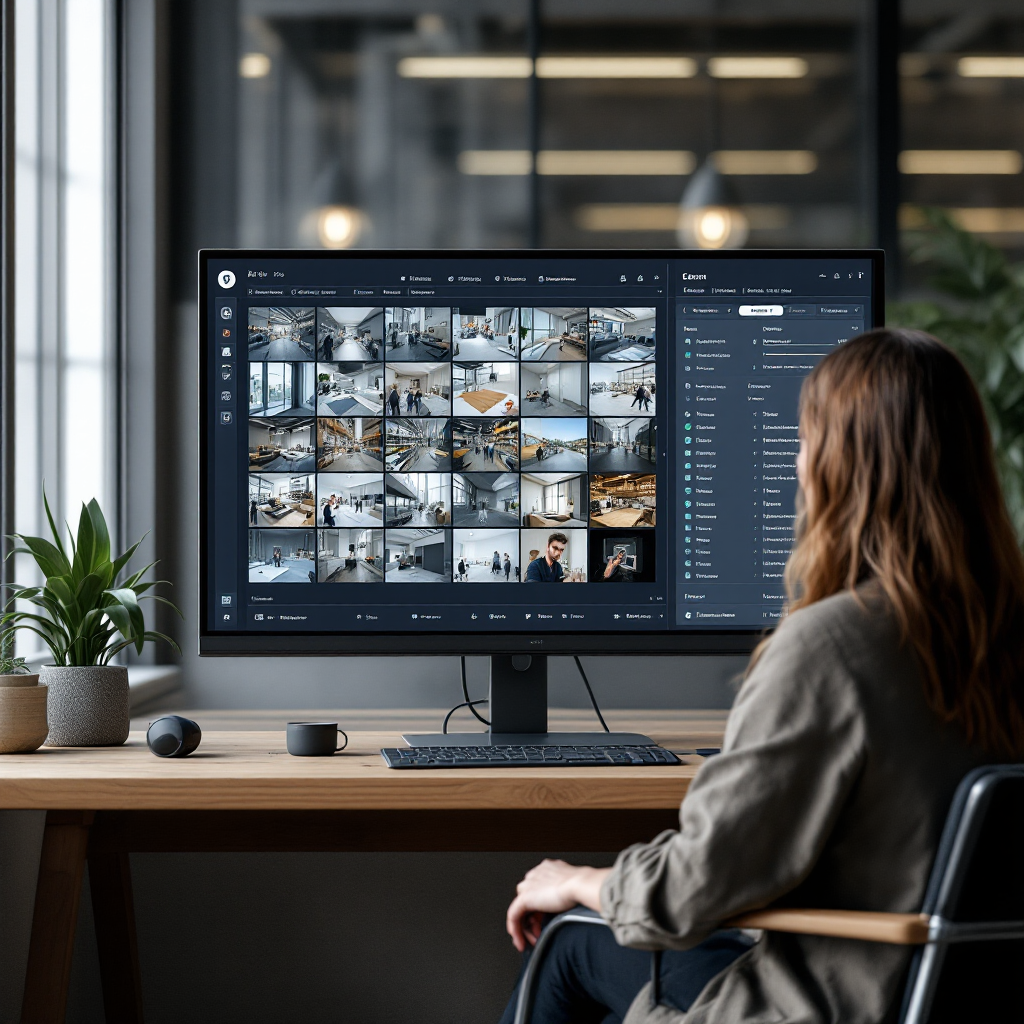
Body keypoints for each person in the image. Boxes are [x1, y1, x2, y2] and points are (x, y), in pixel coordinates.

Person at [500, 329, 1024, 1024]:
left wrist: (577, 880)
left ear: (841, 466)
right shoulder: (1004, 631)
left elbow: (690, 891)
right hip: (962, 995)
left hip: (840, 999)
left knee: (569, 941)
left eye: (807, 442)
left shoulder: (833, 645)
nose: (799, 464)